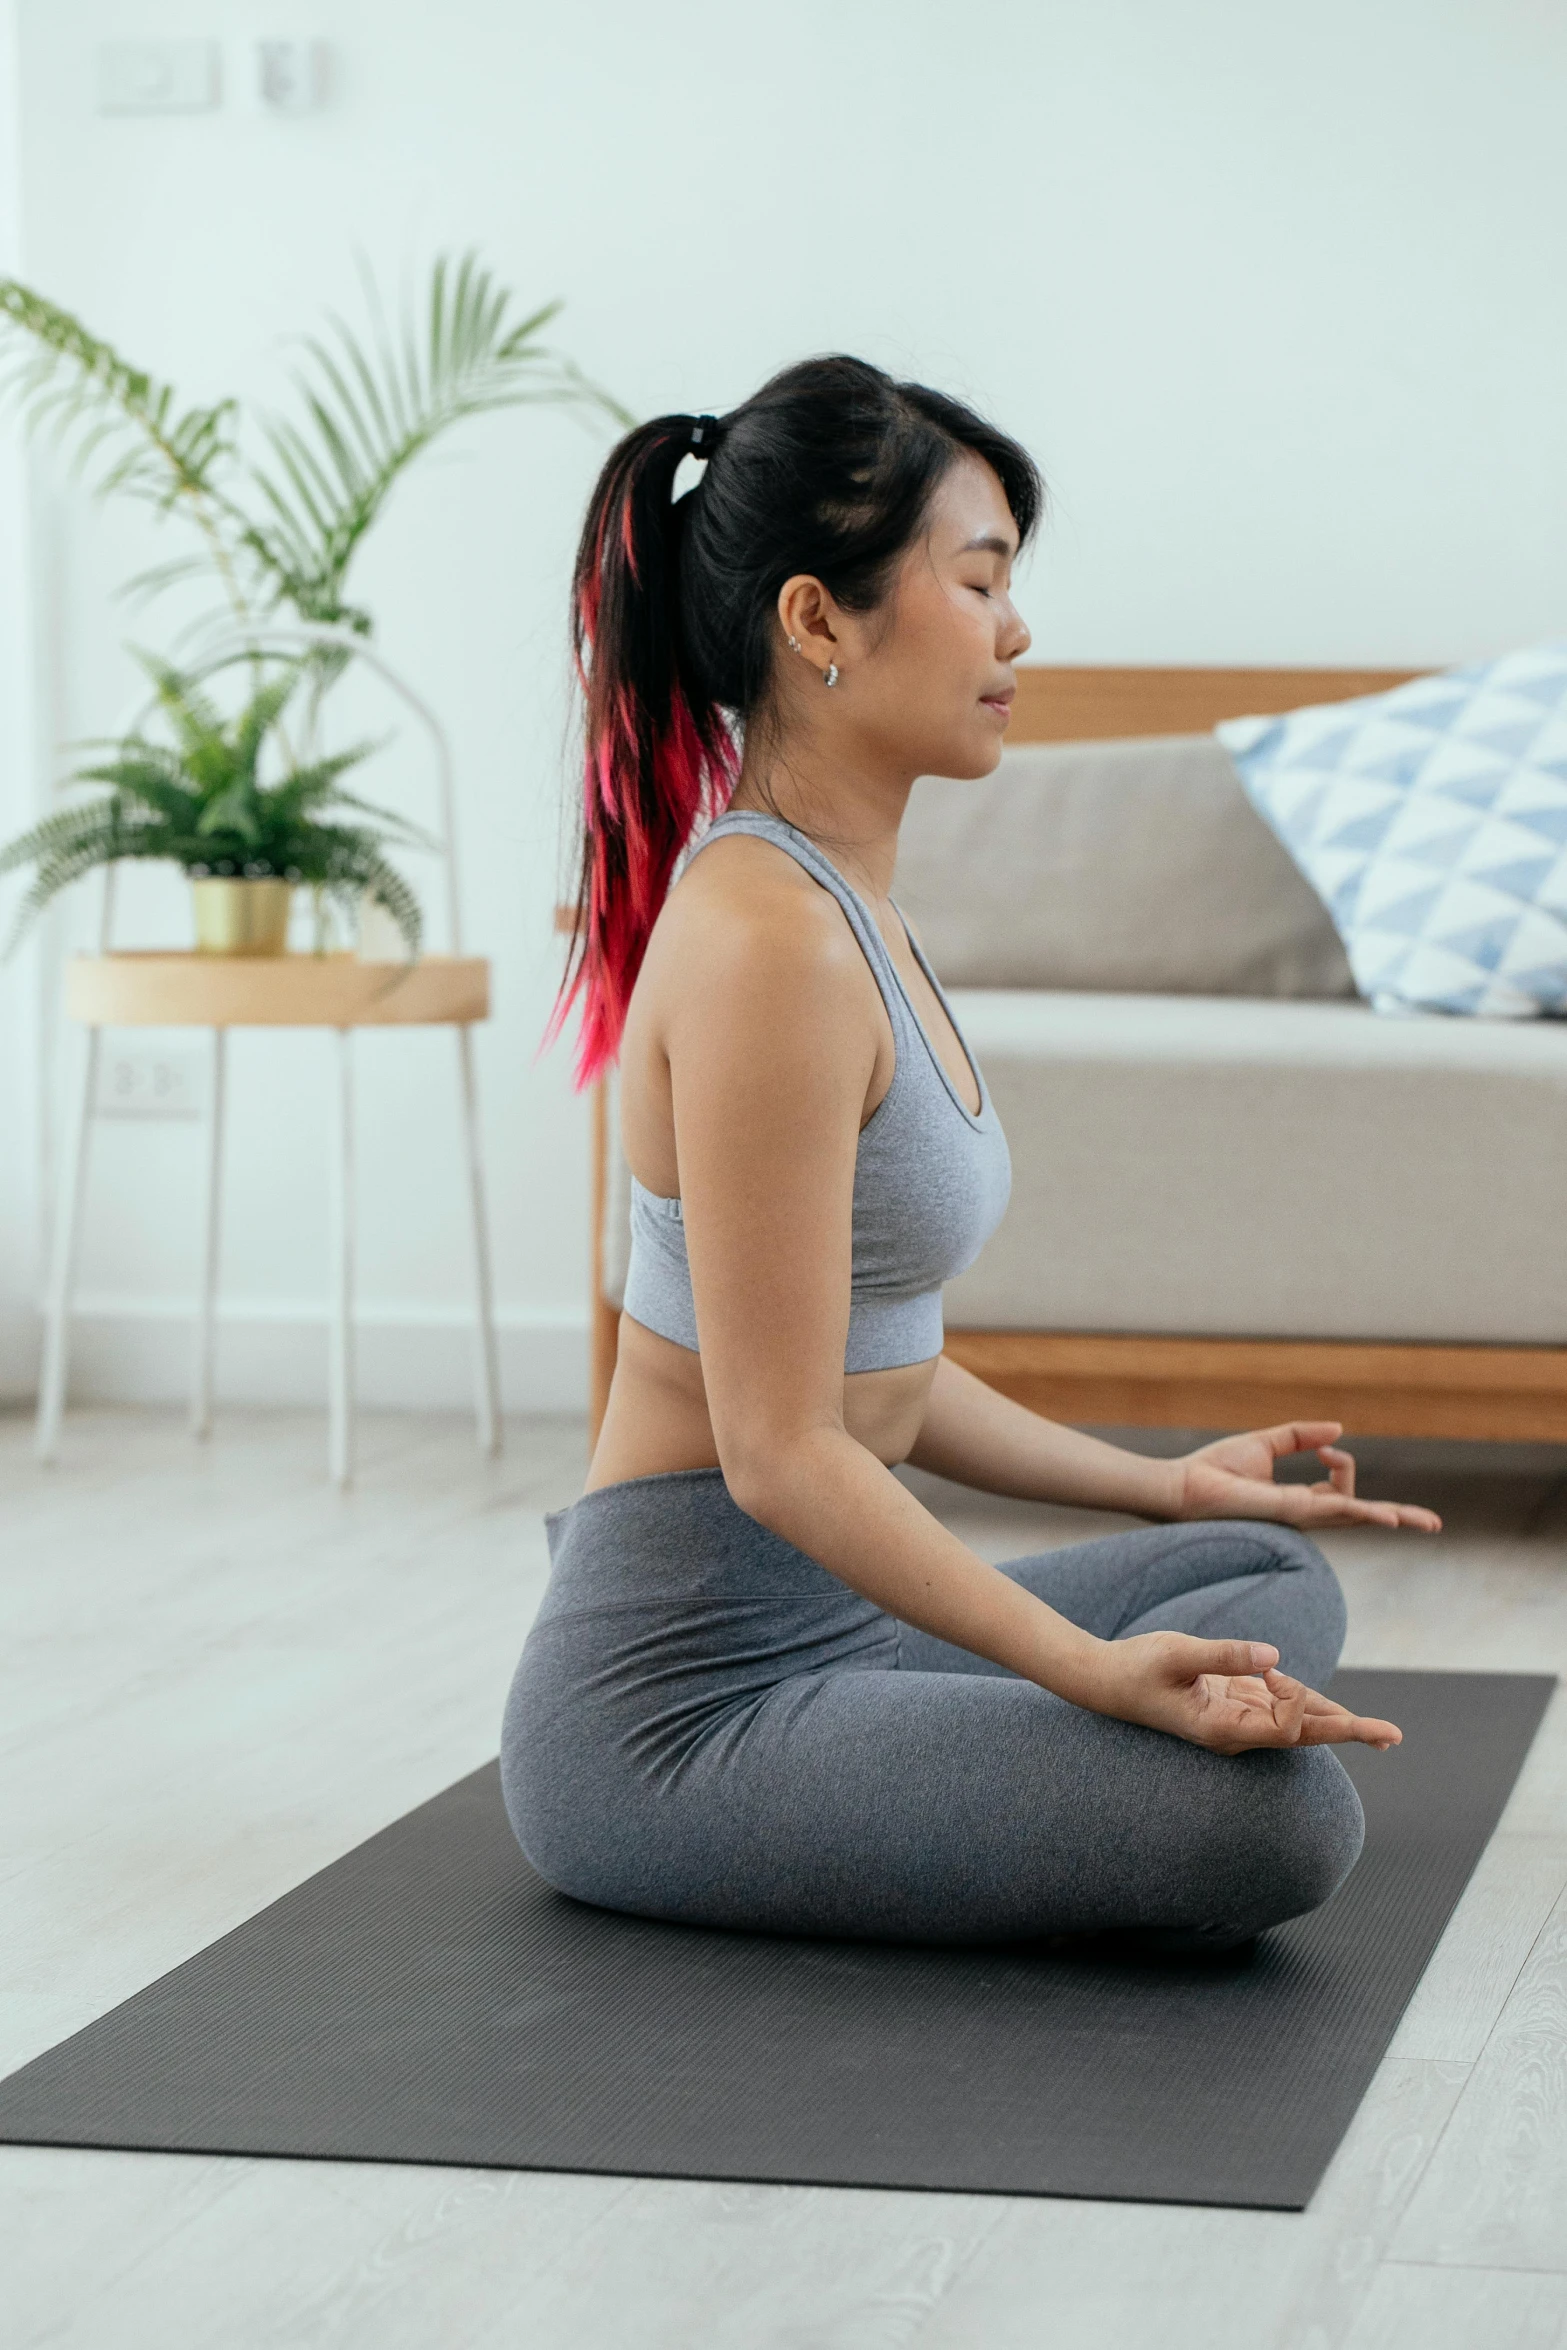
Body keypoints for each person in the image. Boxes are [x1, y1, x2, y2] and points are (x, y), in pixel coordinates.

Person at [501, 355, 1440, 1951]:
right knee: (1276, 1820)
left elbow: (888, 1371)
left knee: (1252, 1570)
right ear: (818, 623)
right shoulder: (766, 948)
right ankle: (962, 1729)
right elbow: (783, 1448)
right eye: (980, 579)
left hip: (844, 1612)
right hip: (681, 1698)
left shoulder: (847, 911)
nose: (1017, 632)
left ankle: (962, 1711)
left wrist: (1162, 1477)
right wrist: (1077, 1670)